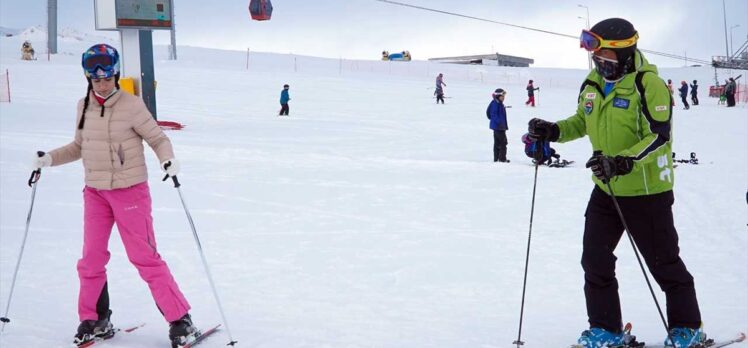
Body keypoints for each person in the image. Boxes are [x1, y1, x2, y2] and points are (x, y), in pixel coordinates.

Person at [527, 18, 705, 348]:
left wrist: (623, 161)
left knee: (664, 262)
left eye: (605, 59)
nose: (599, 64)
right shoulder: (593, 83)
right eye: (596, 59)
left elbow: (659, 136)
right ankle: (606, 329)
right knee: (594, 258)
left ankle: (688, 327)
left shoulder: (647, 84)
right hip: (606, 188)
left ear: (624, 53)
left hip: (647, 191)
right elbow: (582, 121)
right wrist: (553, 130)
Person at [30, 43, 196, 347]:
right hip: (95, 193)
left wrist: (168, 160)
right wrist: (49, 159)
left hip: (130, 191)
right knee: (91, 260)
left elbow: (158, 139)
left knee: (144, 257)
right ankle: (95, 319)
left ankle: (180, 320)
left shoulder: (132, 105)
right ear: (88, 78)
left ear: (115, 74)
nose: (101, 83)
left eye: (106, 77)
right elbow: (79, 147)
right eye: (95, 78)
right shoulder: (83, 106)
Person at [486, 88, 509, 162]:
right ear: (498, 96)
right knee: (503, 142)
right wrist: (499, 123)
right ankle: (502, 159)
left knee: (497, 143)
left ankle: (497, 159)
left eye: (504, 96)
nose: (503, 98)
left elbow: (490, 113)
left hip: (498, 127)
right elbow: (493, 114)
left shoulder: (498, 103)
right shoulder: (496, 104)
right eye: (502, 96)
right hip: (499, 127)